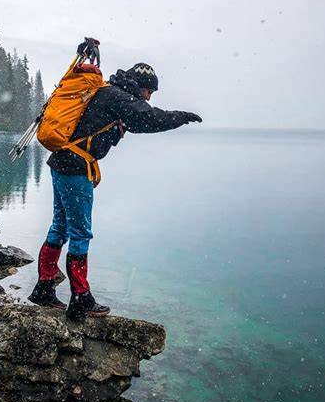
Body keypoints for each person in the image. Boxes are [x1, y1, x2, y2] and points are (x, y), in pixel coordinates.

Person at [28, 59, 202, 320]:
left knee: (60, 227)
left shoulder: (109, 93)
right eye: (150, 91)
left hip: (63, 163)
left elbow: (138, 121)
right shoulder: (118, 97)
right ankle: (81, 298)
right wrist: (181, 117)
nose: (150, 96)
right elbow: (149, 119)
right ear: (141, 86)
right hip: (75, 169)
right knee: (80, 233)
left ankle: (44, 288)